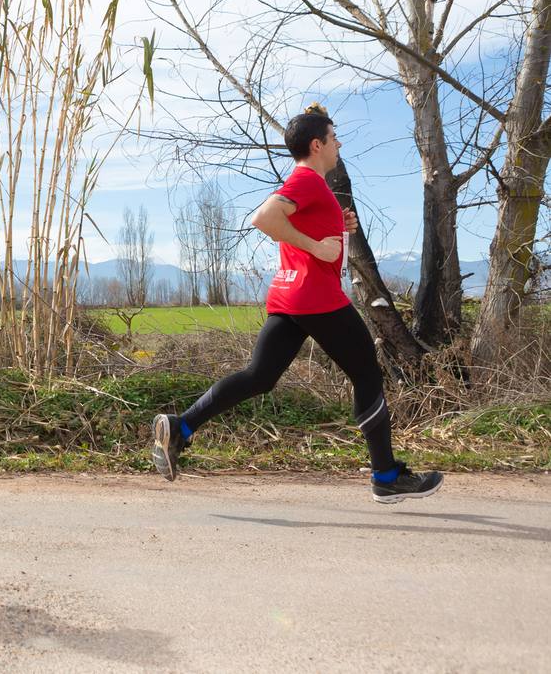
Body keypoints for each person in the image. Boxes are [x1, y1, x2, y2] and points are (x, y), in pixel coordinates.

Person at [151, 104, 443, 504]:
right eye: (334, 137)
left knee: (259, 376)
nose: (339, 143)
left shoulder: (312, 187)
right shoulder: (307, 180)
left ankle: (180, 427)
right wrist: (317, 247)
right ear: (317, 144)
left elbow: (297, 223)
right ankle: (386, 475)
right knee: (368, 377)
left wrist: (334, 226)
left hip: (288, 295)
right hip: (318, 299)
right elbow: (265, 218)